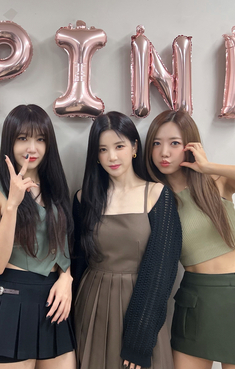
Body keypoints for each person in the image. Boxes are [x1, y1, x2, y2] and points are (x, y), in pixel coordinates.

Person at [144, 110, 235, 369]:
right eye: (156, 143)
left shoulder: (215, 182)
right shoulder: (153, 197)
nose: (164, 152)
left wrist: (209, 167)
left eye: (174, 143)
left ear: (189, 146)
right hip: (194, 299)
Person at [72, 111, 182, 369]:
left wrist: (140, 340)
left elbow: (163, 270)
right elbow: (76, 260)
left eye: (119, 146)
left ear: (134, 147)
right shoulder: (83, 198)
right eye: (103, 149)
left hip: (142, 304)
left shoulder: (157, 194)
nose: (112, 157)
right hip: (92, 303)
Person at [0, 104, 76, 369]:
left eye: (40, 139)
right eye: (23, 138)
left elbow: (62, 244)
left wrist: (67, 277)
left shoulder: (55, 188)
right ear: (10, 142)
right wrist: (12, 205)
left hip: (53, 303)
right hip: (11, 301)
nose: (32, 147)